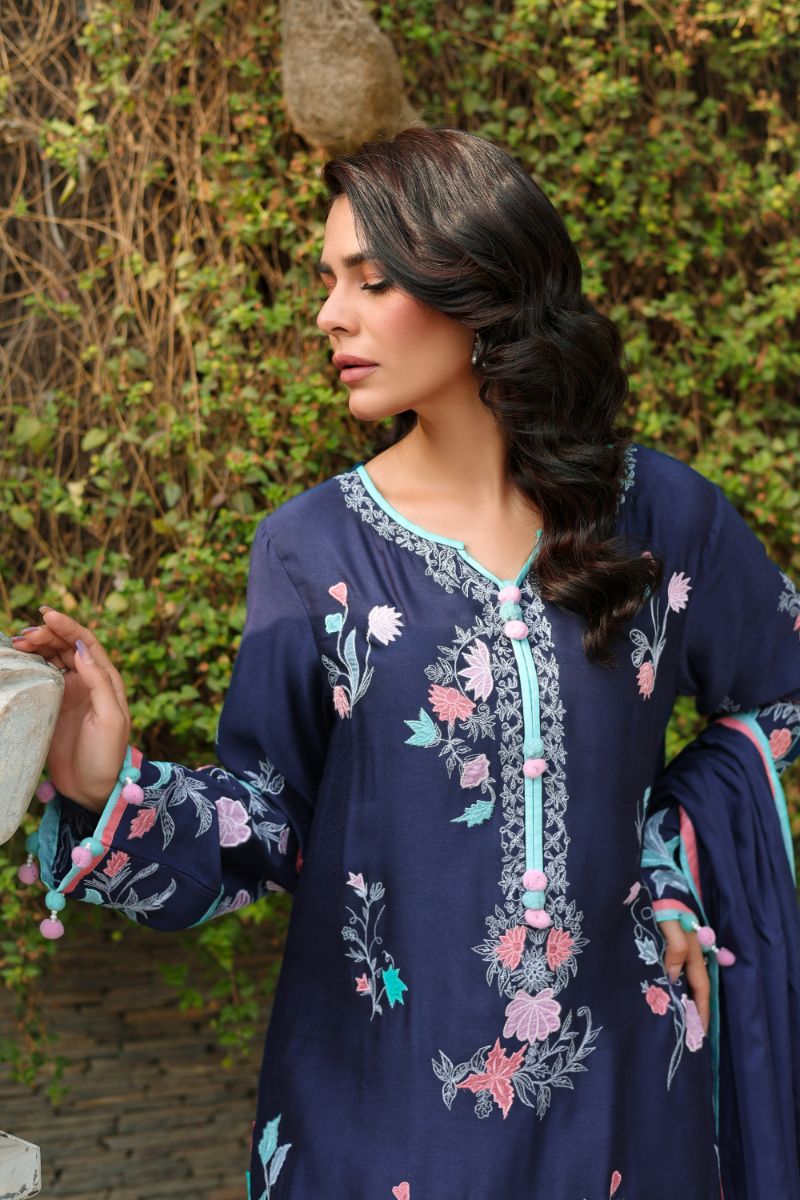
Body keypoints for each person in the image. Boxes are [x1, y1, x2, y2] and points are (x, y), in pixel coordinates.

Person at [13, 128, 800, 1200]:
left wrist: (669, 855)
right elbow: (270, 823)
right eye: (328, 281)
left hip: (627, 1103)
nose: (329, 315)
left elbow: (779, 687)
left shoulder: (658, 519)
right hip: (377, 1118)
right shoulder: (313, 551)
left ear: (479, 286)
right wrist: (115, 788)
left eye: (371, 281)